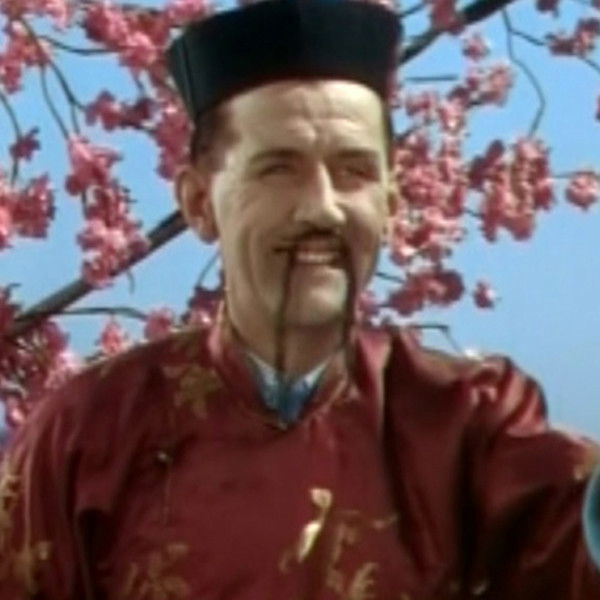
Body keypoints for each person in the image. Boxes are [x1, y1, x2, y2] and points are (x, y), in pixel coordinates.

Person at [1, 0, 600, 598]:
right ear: (198, 202)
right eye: (278, 169)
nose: (322, 208)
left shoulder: (468, 419)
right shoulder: (88, 432)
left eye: (354, 171)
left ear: (391, 203)